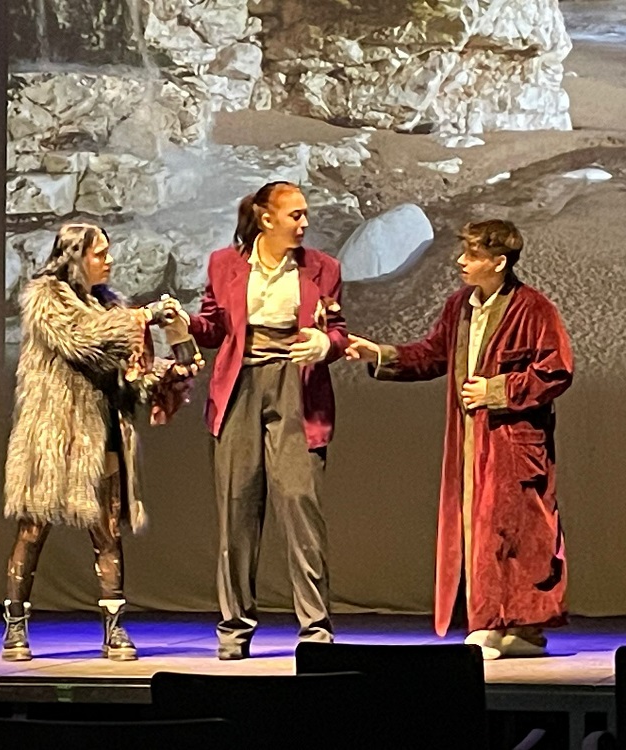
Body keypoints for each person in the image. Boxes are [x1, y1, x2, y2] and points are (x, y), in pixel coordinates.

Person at [346, 219, 573, 659]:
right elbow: (433, 354)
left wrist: (498, 390)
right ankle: (496, 624)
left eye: (472, 255)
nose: (461, 262)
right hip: (471, 441)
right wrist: (380, 354)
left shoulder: (534, 309)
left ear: (499, 262)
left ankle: (514, 628)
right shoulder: (460, 307)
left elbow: (556, 370)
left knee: (517, 533)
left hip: (513, 444)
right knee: (480, 530)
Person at [1, 222, 200, 662]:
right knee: (33, 530)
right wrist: (142, 317)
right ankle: (15, 624)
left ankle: (114, 627)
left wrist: (165, 374)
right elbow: (82, 340)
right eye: (99, 253)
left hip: (101, 431)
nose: (108, 260)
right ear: (75, 257)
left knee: (108, 531)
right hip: (53, 435)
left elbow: (124, 375)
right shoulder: (47, 298)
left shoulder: (109, 304)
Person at [166, 181, 348, 659]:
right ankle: (234, 631)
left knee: (301, 506)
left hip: (296, 388)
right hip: (239, 387)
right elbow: (214, 326)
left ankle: (315, 631)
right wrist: (184, 324)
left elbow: (338, 331)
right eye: (296, 215)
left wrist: (326, 344)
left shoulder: (323, 268)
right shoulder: (224, 264)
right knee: (237, 511)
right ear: (267, 219)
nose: (304, 223)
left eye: (304, 214)